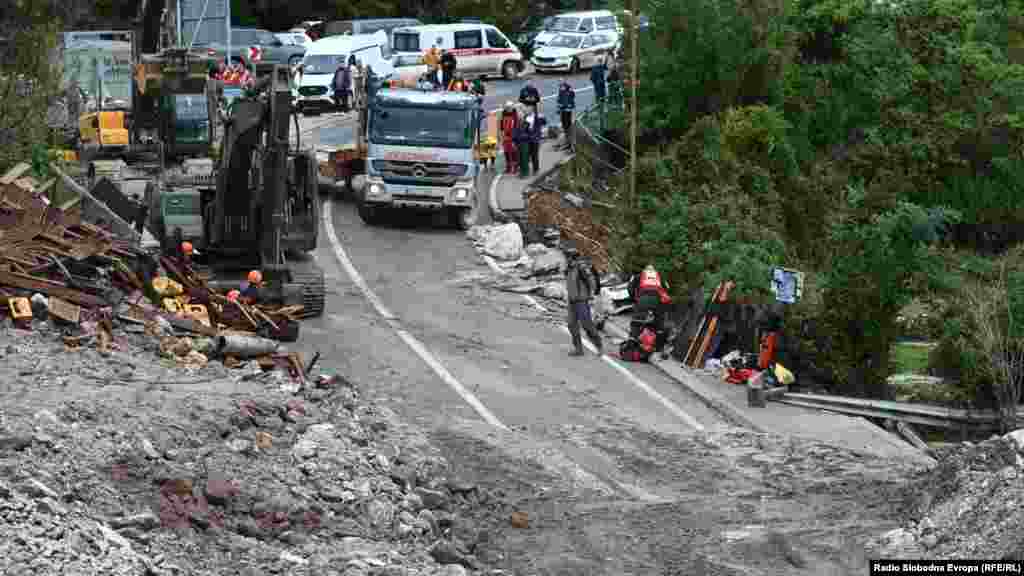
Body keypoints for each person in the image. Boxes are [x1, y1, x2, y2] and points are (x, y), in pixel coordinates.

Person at [565, 248, 602, 356]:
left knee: (587, 325)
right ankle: (578, 349)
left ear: (572, 257)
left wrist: (592, 295)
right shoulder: (569, 268)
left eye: (567, 257)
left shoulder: (582, 268)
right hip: (572, 301)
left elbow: (591, 281)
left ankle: (598, 345)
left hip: (581, 301)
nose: (565, 259)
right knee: (571, 325)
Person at [629, 264, 672, 341]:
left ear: (645, 270)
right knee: (659, 321)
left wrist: (634, 299)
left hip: (643, 298)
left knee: (636, 321)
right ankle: (658, 338)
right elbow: (667, 288)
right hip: (657, 300)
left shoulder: (639, 275)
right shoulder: (660, 276)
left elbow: (630, 287)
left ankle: (633, 338)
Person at [499, 101, 520, 175]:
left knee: (514, 153)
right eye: (507, 108)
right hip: (506, 137)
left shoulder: (515, 116)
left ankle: (515, 167)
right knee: (507, 153)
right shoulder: (503, 115)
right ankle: (508, 167)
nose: (508, 109)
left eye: (509, 108)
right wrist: (501, 135)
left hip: (512, 137)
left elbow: (516, 127)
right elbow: (501, 126)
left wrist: (514, 138)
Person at [556, 79, 575, 151]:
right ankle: (568, 142)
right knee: (565, 126)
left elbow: (568, 100)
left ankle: (570, 143)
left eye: (561, 84)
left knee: (567, 126)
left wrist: (562, 107)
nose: (560, 86)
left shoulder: (568, 90)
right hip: (563, 111)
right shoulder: (562, 90)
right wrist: (559, 108)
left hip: (567, 111)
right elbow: (560, 100)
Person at [525, 109, 543, 176]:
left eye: (527, 110)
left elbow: (543, 123)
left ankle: (536, 169)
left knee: (534, 155)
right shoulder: (526, 117)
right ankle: (529, 169)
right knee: (528, 155)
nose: (526, 111)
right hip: (528, 139)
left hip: (535, 139)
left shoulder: (537, 117)